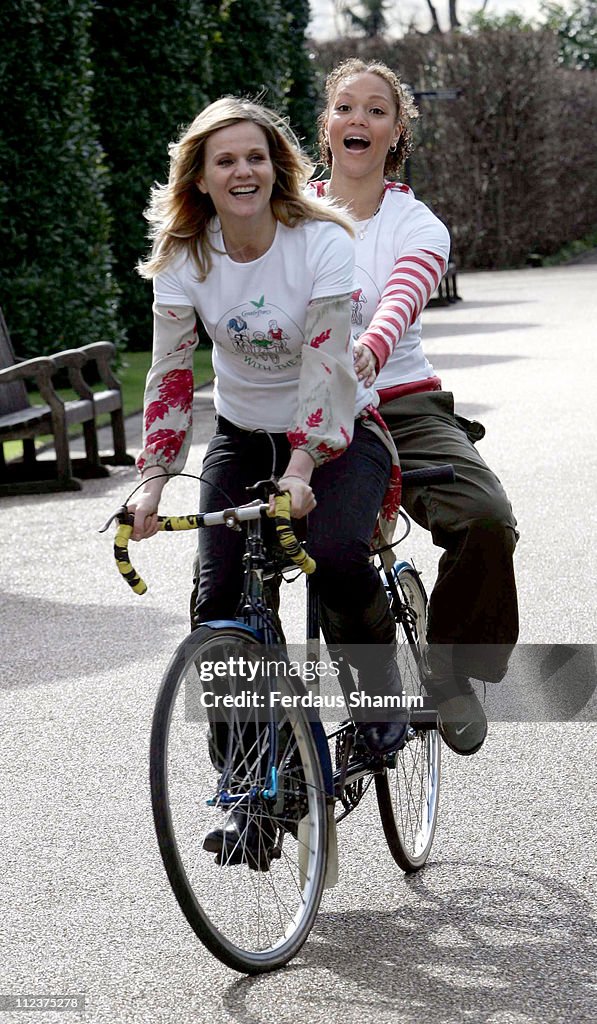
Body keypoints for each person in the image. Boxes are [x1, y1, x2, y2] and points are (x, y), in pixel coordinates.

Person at [131, 96, 411, 864]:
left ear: (276, 165)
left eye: (255, 155)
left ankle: (383, 703)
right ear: (202, 176)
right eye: (225, 160)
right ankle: (259, 785)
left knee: (334, 551)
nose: (242, 170)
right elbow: (168, 377)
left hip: (339, 435)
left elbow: (325, 362)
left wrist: (301, 464)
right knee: (217, 607)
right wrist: (153, 479)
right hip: (241, 438)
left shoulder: (319, 238)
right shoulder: (185, 254)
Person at [310, 58, 519, 756]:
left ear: (396, 131)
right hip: (308, 412)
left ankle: (450, 675)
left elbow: (402, 295)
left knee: (485, 518)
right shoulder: (286, 214)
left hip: (402, 405)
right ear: (327, 124)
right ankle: (352, 715)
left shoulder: (415, 222)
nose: (358, 120)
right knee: (323, 550)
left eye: (375, 110)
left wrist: (367, 349)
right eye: (345, 107)